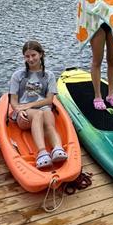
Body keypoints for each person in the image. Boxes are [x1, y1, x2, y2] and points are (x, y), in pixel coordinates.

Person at [8, 40, 68, 169]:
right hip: (25, 115)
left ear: (41, 54)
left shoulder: (49, 75)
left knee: (47, 115)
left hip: (40, 107)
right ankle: (42, 152)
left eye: (33, 55)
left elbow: (49, 100)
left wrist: (28, 105)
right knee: (39, 114)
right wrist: (19, 110)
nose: (30, 59)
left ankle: (57, 148)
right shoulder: (18, 76)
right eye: (27, 56)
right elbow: (13, 100)